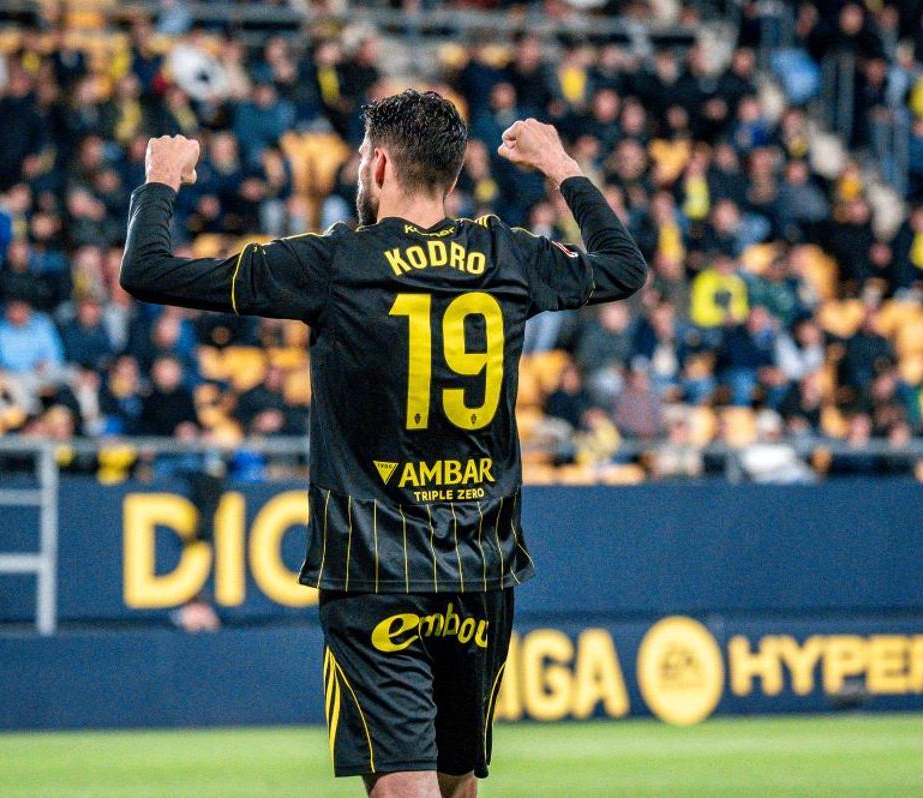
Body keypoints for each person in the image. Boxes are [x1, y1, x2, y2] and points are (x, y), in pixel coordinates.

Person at [120, 90, 646, 798]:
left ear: (378, 166)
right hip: (481, 565)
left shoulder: (334, 263)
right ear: (453, 177)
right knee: (458, 783)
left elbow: (147, 270)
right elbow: (623, 267)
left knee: (406, 787)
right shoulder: (510, 256)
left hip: (375, 568)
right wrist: (560, 166)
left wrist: (159, 179)